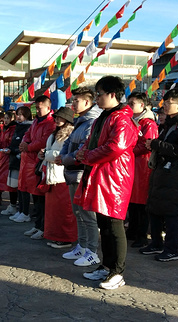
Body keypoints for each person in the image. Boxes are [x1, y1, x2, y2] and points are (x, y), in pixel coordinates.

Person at [75, 76, 137, 290]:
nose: (97, 98)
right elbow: (95, 141)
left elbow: (116, 147)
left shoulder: (122, 118)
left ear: (112, 94)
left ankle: (118, 272)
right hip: (101, 174)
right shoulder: (105, 116)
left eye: (99, 94)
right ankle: (106, 265)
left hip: (114, 178)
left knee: (114, 224)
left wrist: (89, 155)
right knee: (104, 223)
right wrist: (85, 152)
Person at [139, 88, 178, 262]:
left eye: (168, 102)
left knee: (171, 213)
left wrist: (157, 144)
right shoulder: (169, 124)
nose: (164, 106)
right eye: (164, 102)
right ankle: (156, 242)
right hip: (161, 172)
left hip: (176, 174)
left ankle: (172, 249)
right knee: (155, 209)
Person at [59, 87, 102, 266]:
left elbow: (84, 148)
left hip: (82, 173)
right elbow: (68, 142)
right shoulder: (80, 121)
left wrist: (65, 159)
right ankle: (82, 246)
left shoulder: (92, 121)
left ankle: (92, 251)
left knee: (88, 215)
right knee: (78, 212)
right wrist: (62, 157)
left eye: (76, 101)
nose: (73, 104)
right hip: (72, 172)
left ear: (87, 102)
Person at [17, 96, 55, 238]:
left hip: (39, 162)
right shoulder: (35, 122)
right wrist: (24, 143)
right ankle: (37, 225)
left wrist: (28, 146)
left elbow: (44, 141)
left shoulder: (50, 123)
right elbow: (27, 134)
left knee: (41, 198)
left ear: (48, 107)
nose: (37, 111)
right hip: (30, 161)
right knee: (35, 195)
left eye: (40, 108)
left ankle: (43, 227)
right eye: (36, 108)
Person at [40, 106, 76, 249]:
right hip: (51, 174)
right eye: (56, 117)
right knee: (54, 210)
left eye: (61, 117)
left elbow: (63, 156)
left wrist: (47, 154)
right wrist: (43, 154)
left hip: (62, 176)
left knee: (64, 210)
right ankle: (56, 236)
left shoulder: (69, 134)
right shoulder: (54, 133)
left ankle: (65, 238)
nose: (57, 120)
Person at [125, 92, 158, 248]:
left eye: (132, 104)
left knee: (141, 203)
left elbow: (147, 144)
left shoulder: (148, 124)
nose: (129, 106)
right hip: (132, 164)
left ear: (142, 105)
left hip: (143, 165)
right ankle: (132, 231)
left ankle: (141, 235)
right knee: (132, 202)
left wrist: (127, 151)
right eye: (128, 103)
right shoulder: (131, 121)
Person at [8, 107, 34, 225]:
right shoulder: (18, 126)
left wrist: (14, 150)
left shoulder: (28, 127)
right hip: (16, 158)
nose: (18, 117)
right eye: (17, 114)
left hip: (23, 159)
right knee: (19, 187)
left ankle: (25, 212)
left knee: (24, 188)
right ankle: (20, 210)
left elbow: (24, 144)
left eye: (21, 115)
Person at [0, 111, 19, 216]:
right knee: (9, 183)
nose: (5, 120)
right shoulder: (5, 129)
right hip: (5, 156)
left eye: (7, 118)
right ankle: (12, 204)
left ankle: (14, 205)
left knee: (13, 184)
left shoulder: (13, 129)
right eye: (4, 118)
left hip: (11, 157)